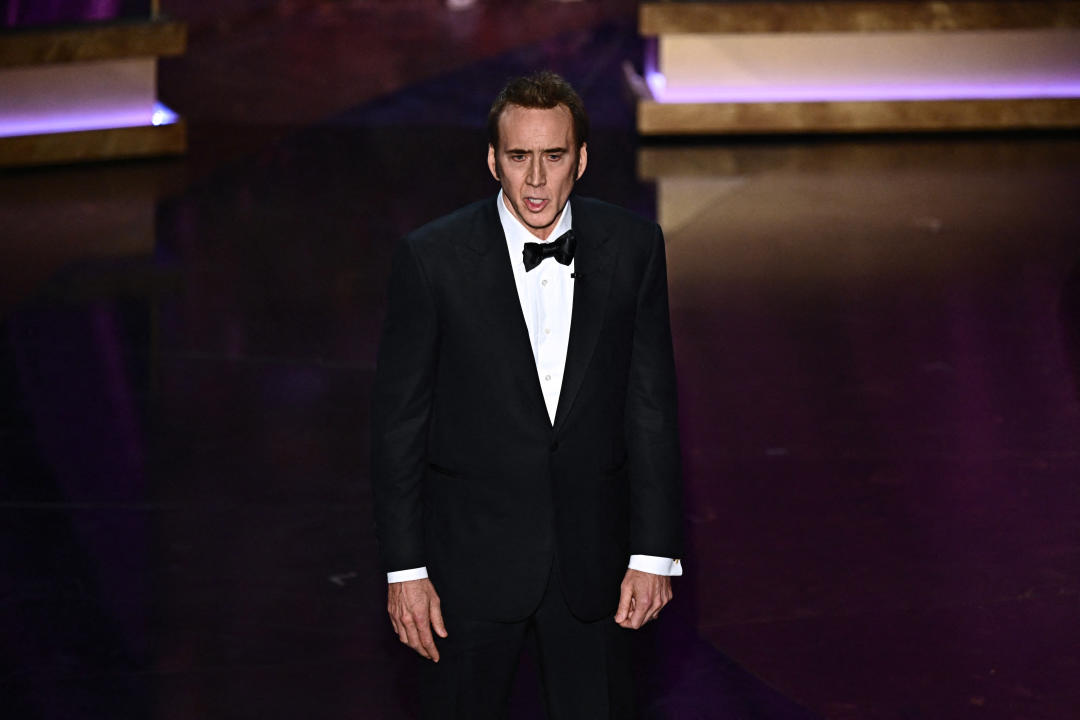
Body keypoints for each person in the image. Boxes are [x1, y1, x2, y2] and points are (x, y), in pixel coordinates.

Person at [371, 71, 683, 719]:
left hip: (596, 571)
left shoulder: (633, 248)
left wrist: (653, 553)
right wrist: (406, 571)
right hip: (468, 572)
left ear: (582, 158)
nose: (536, 180)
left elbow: (650, 410)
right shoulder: (431, 260)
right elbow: (400, 426)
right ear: (493, 161)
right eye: (518, 157)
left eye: (554, 156)